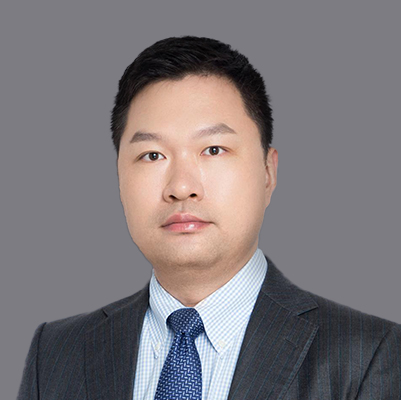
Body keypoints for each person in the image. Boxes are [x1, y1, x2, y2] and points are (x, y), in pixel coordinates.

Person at [17, 35, 401, 400]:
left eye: (213, 149)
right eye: (152, 155)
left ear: (268, 172)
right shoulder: (56, 352)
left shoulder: (367, 354)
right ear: (119, 177)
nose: (181, 187)